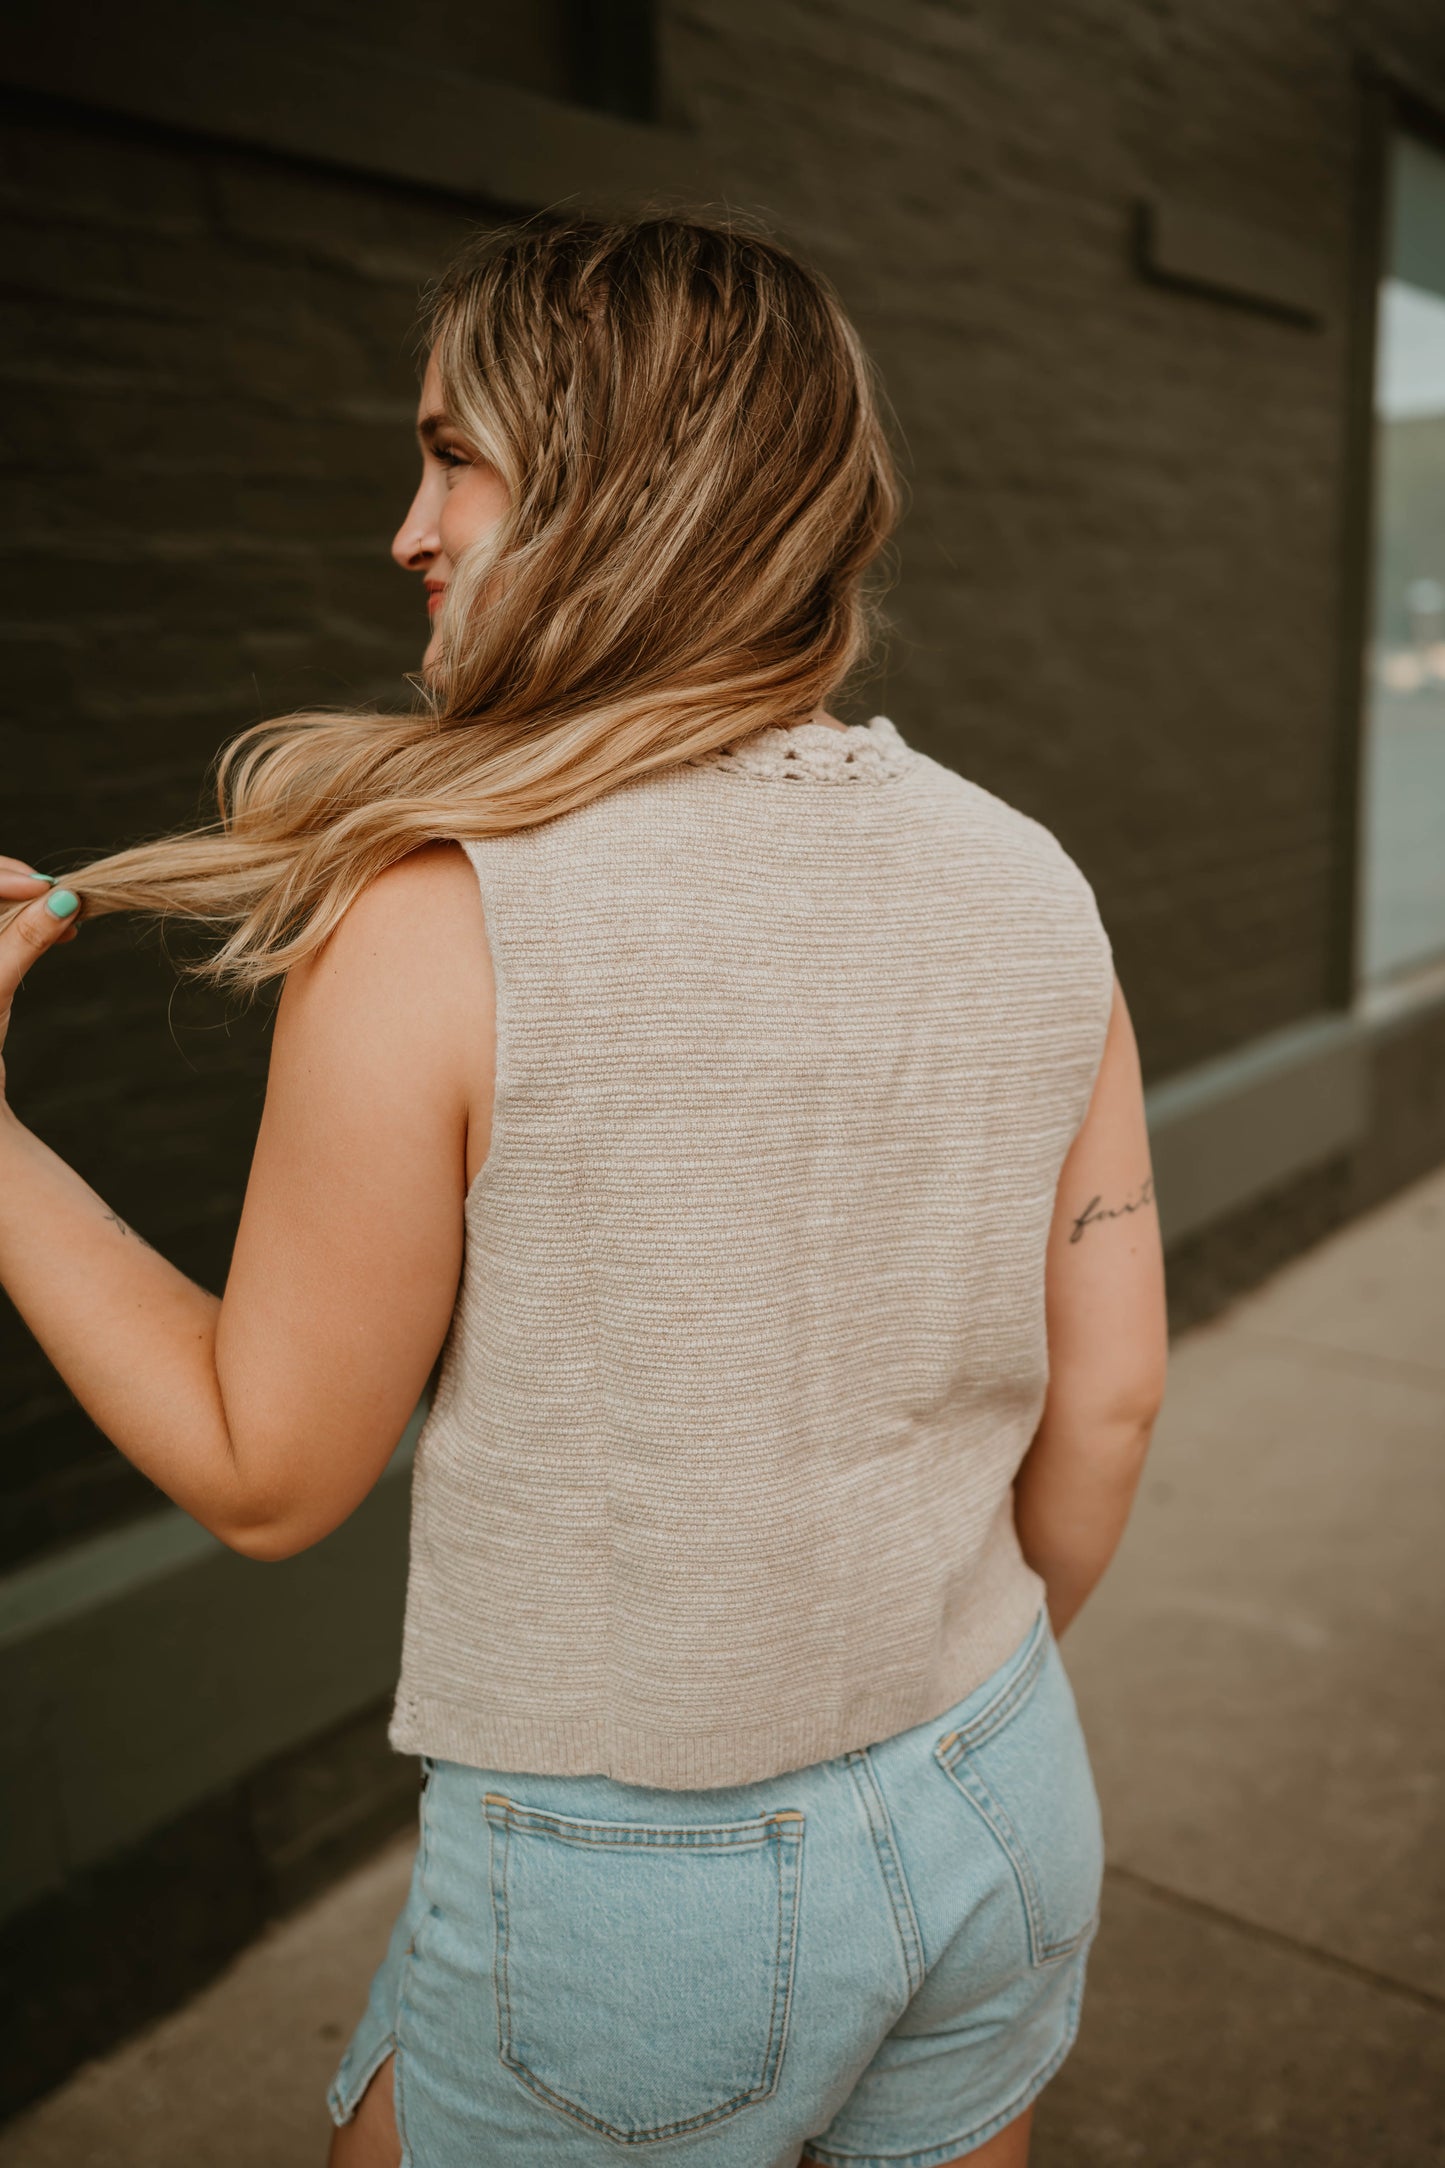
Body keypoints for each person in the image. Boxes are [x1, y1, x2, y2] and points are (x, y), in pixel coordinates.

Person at [0, 215, 1168, 2168]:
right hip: (1006, 1785)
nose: (410, 524)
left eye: (454, 454)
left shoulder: (440, 921)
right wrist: (932, 1718)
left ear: (623, 491)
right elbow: (1111, 1400)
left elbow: (263, 1461)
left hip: (642, 1902)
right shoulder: (1031, 877)